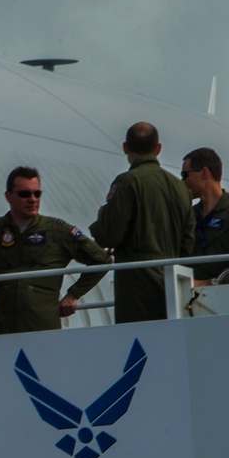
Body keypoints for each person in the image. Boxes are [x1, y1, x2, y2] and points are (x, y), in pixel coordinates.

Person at [0, 167, 110, 335]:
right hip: (1, 328)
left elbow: (102, 260)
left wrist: (73, 294)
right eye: (24, 194)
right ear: (8, 196)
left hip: (42, 329)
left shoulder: (57, 231)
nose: (32, 199)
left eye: (37, 194)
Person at [90, 122, 195, 323]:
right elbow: (188, 243)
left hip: (136, 292)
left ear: (125, 147)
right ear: (158, 148)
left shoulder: (126, 182)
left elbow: (108, 235)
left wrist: (102, 218)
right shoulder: (181, 189)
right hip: (172, 290)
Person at [181, 147, 229, 285]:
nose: (183, 182)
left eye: (185, 175)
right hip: (185, 299)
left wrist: (208, 284)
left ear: (204, 173)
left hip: (223, 301)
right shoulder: (187, 215)